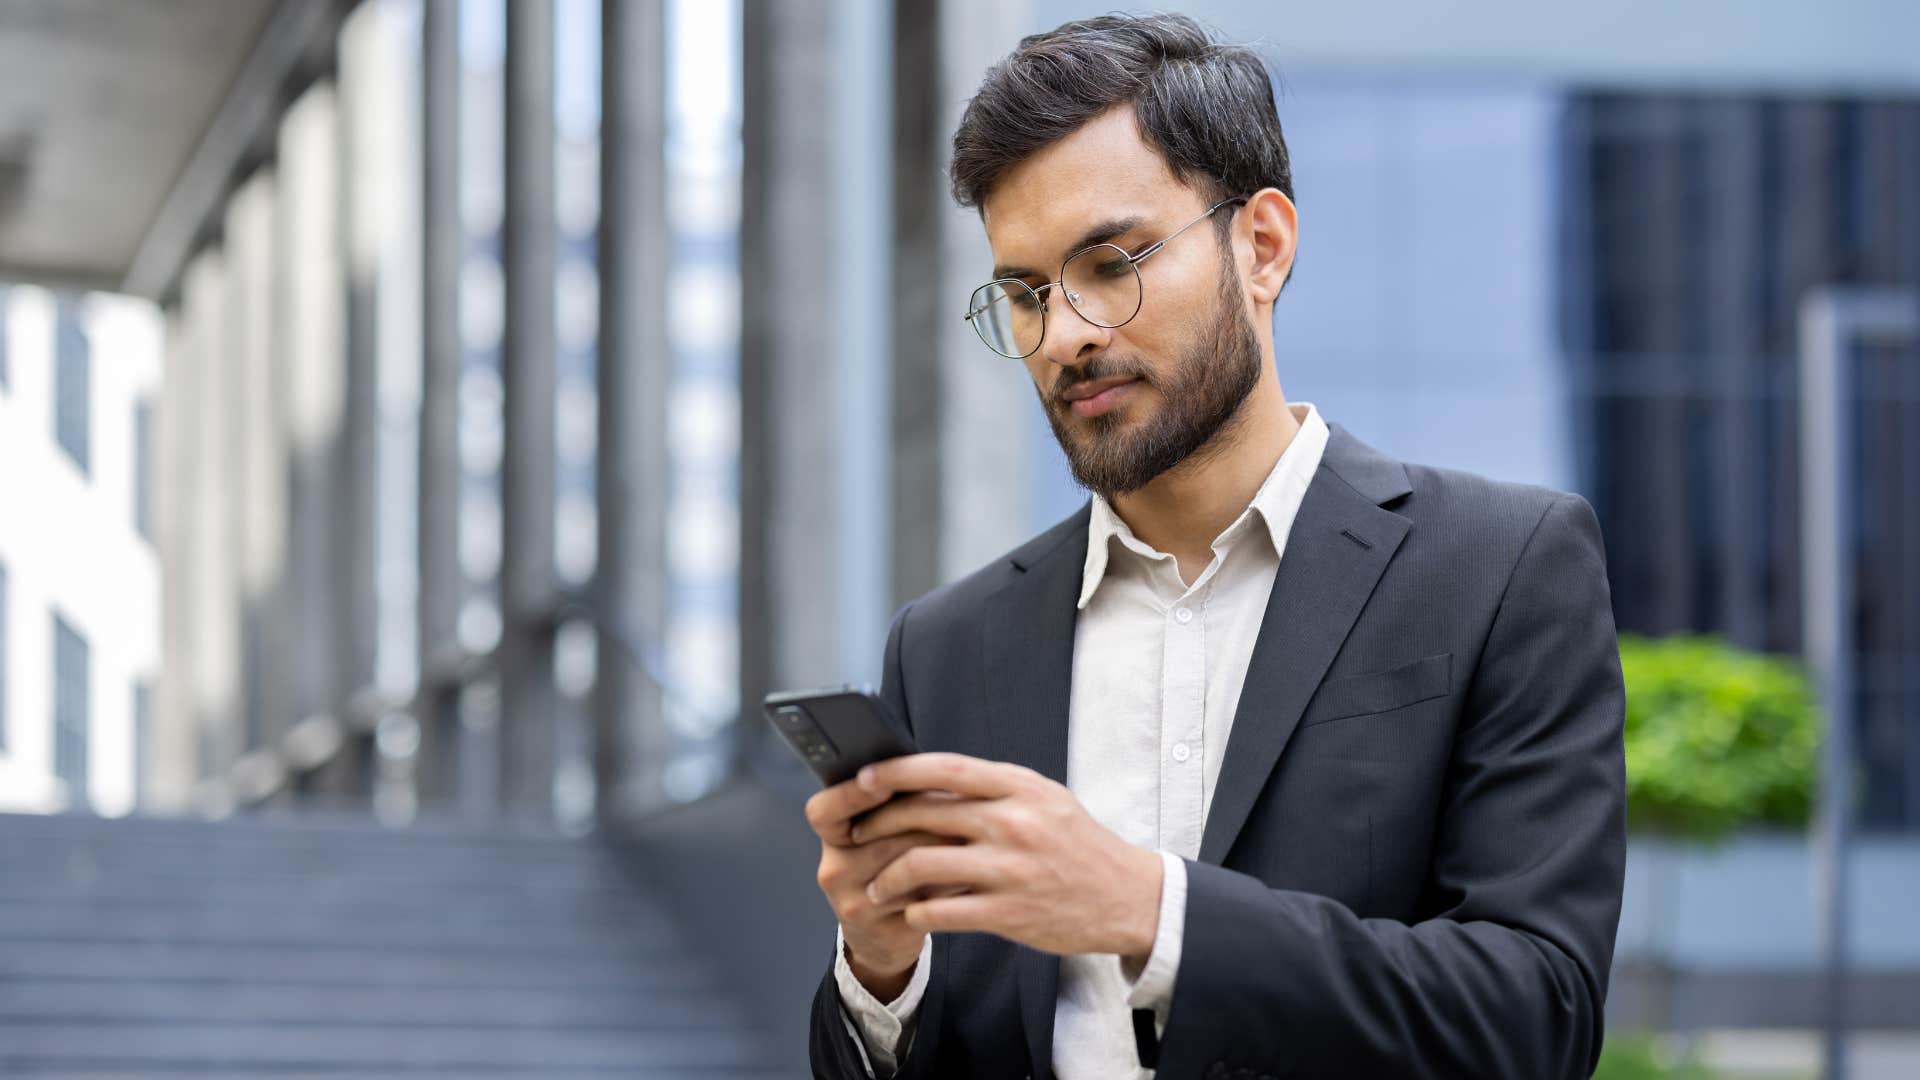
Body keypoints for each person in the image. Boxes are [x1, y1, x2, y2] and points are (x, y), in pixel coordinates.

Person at [804, 13, 1626, 1080]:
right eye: (1025, 293)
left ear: (1262, 246)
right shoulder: (950, 644)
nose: (1065, 336)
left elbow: (1536, 1018)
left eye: (1111, 261)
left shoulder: (1503, 567)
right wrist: (879, 969)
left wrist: (1149, 910)